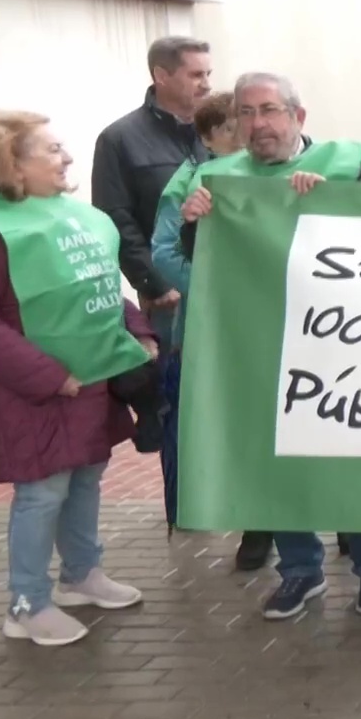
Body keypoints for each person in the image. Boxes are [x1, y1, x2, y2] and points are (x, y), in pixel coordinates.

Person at [179, 72, 361, 621]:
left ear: (298, 118)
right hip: (260, 345)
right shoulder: (217, 177)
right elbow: (200, 260)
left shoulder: (344, 163)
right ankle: (300, 571)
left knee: (349, 452)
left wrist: (338, 203)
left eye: (269, 110)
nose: (258, 124)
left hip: (340, 342)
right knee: (274, 458)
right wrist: (194, 222)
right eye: (246, 114)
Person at [0, 112, 162, 647]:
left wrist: (136, 331)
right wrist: (48, 376)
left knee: (87, 477)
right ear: (13, 166)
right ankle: (26, 604)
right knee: (42, 492)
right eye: (51, 149)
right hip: (29, 390)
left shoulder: (70, 215)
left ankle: (81, 576)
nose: (66, 157)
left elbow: (96, 283)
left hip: (89, 381)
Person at [147, 91, 240, 538]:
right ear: (208, 138)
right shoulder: (189, 182)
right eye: (230, 128)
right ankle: (192, 509)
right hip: (204, 328)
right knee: (196, 422)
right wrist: (214, 290)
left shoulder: (271, 171)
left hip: (262, 326)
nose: (243, 133)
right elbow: (164, 254)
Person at [91, 36, 213, 334]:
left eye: (209, 74)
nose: (207, 84)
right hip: (169, 299)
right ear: (161, 76)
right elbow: (115, 218)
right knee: (177, 378)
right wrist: (155, 284)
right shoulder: (120, 139)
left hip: (222, 286)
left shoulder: (221, 133)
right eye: (196, 75)